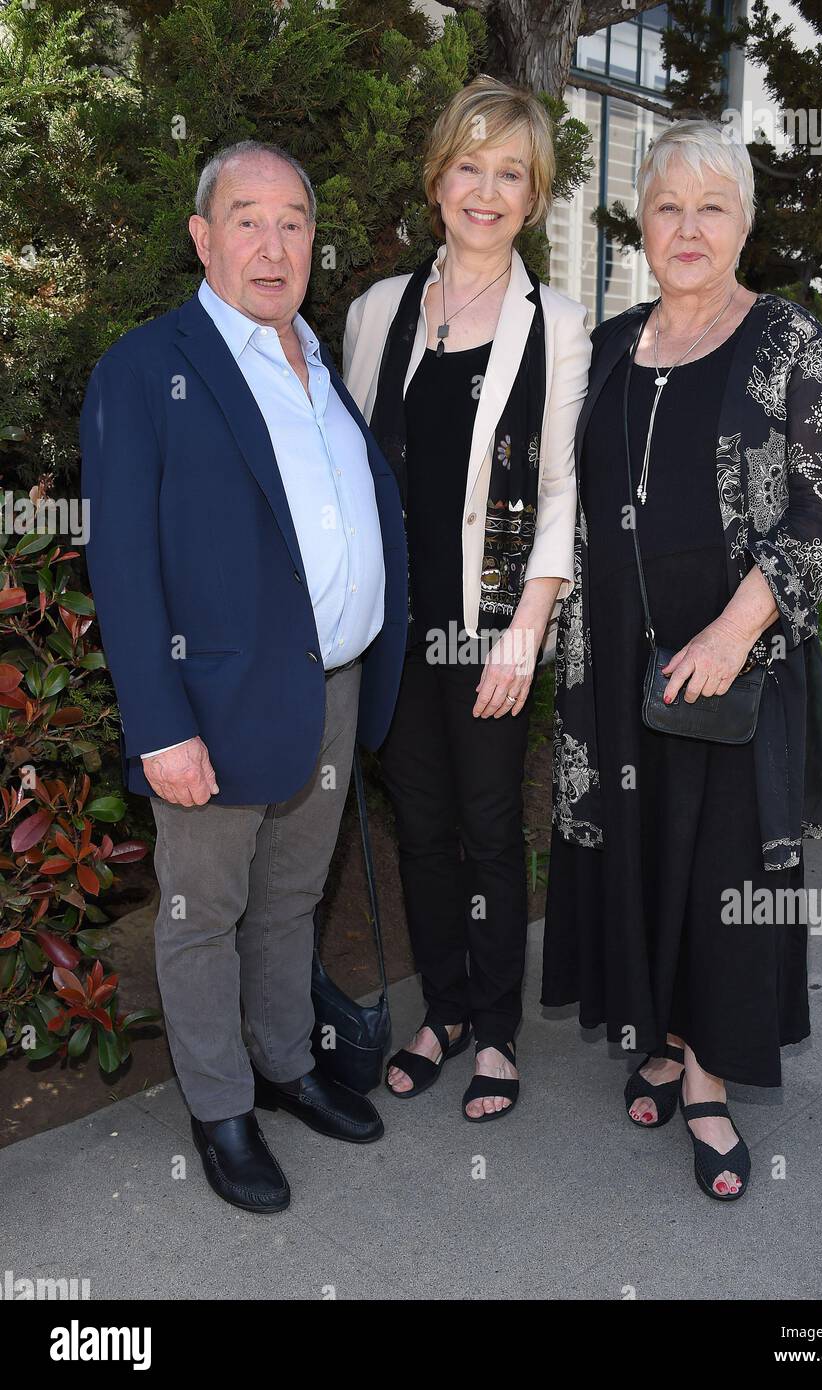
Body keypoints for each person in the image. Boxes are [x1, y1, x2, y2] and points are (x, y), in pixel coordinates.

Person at [80, 140, 407, 1212]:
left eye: (293, 221)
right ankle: (219, 1109)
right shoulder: (145, 369)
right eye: (247, 218)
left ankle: (285, 1064)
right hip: (211, 707)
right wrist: (159, 726)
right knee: (201, 910)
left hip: (333, 684)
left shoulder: (320, 363)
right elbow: (122, 568)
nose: (272, 244)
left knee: (290, 899)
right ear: (202, 237)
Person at [543, 120, 822, 1199]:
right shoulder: (614, 344)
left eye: (709, 207)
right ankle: (662, 1035)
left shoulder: (786, 342)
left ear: (743, 222)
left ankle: (710, 1078)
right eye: (666, 205)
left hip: (734, 663)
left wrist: (732, 630)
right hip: (616, 658)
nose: (685, 227)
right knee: (639, 846)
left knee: (722, 871)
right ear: (640, 218)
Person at [344, 76, 590, 1121]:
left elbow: (563, 488)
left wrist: (525, 630)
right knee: (424, 823)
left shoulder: (560, 324)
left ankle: (495, 1030)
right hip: (397, 629)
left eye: (509, 174)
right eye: (468, 166)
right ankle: (439, 1010)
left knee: (491, 826)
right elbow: (349, 470)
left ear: (531, 199)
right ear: (437, 176)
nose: (483, 191)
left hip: (491, 625)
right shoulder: (375, 311)